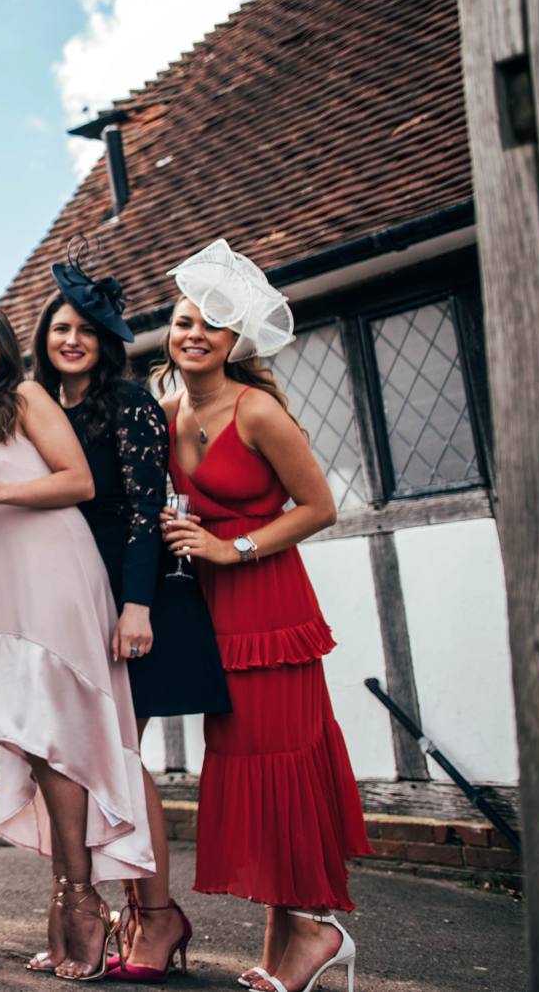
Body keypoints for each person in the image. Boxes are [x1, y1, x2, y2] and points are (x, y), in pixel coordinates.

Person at [157, 240, 366, 992]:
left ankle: (312, 930)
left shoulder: (259, 411)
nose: (196, 334)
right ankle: (286, 935)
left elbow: (321, 506)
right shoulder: (170, 409)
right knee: (247, 763)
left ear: (233, 341)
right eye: (185, 321)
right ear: (171, 331)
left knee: (282, 761)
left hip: (271, 605)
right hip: (213, 619)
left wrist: (231, 547)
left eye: (213, 325)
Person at [30, 257, 230, 982]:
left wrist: (137, 604)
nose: (71, 340)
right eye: (60, 328)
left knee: (118, 751)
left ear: (105, 341)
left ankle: (159, 913)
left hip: (128, 590)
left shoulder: (129, 402)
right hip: (67, 592)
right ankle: (96, 913)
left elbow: (149, 510)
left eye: (84, 330)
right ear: (43, 337)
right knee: (78, 757)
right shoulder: (40, 407)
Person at [0, 304, 154, 981]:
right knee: (34, 746)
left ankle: (79, 901)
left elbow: (79, 482)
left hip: (57, 574)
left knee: (60, 741)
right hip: (7, 592)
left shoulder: (25, 397)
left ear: (5, 351)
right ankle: (69, 895)